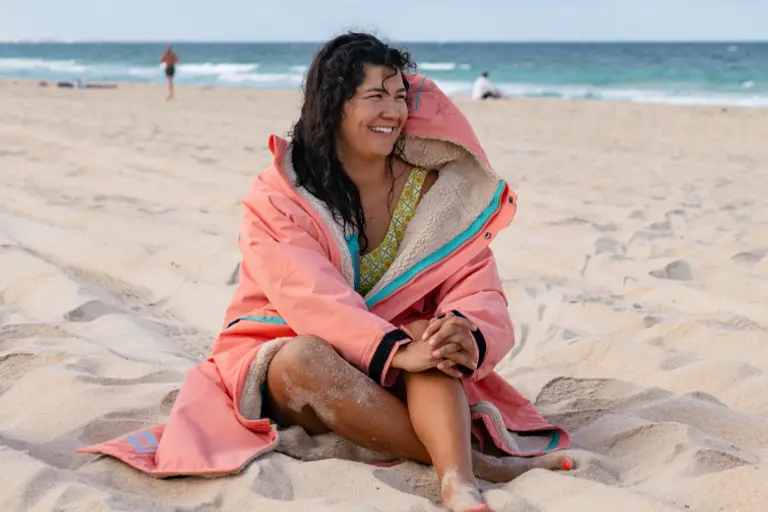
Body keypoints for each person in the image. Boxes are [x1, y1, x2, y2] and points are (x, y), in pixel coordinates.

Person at [78, 32, 572, 512]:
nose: (393, 111)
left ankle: (458, 482)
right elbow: (307, 295)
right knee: (304, 356)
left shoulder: (434, 192)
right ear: (335, 105)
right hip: (295, 354)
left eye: (400, 97)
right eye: (375, 97)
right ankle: (482, 465)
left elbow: (478, 286)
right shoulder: (281, 194)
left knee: (435, 335)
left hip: (403, 362)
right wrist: (396, 352)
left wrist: (466, 330)